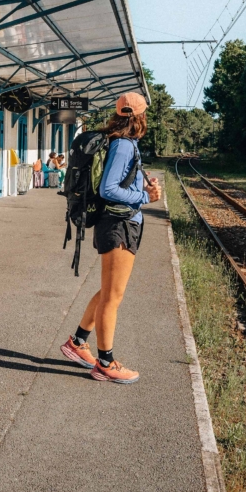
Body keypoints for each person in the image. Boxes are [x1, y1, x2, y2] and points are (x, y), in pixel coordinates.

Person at [60, 92, 162, 384]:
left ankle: (78, 342)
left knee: (108, 291)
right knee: (112, 297)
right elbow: (108, 189)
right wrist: (145, 196)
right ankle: (106, 363)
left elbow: (118, 183)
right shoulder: (123, 145)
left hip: (119, 223)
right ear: (140, 117)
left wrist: (142, 186)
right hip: (118, 225)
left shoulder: (121, 142)